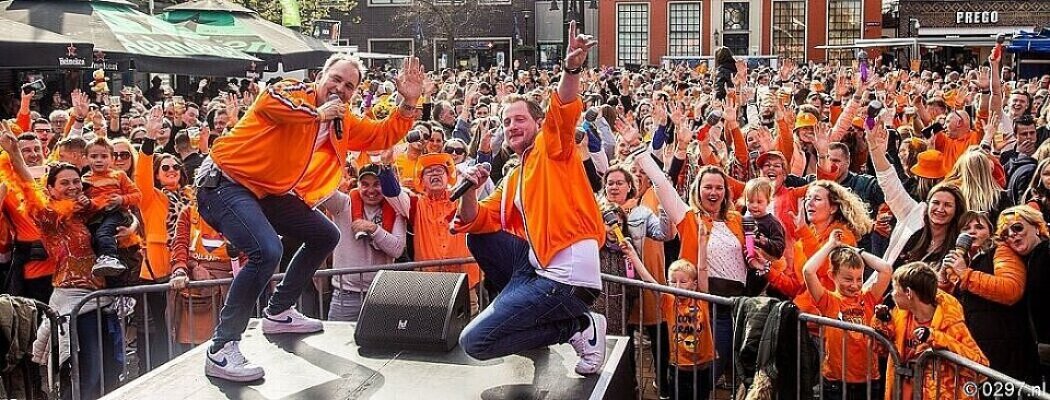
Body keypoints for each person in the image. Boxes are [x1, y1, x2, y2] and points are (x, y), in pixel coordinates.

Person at [196, 54, 425, 382]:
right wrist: (316, 114)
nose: (340, 88)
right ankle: (222, 347)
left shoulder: (341, 122)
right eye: (336, 79)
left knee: (325, 234)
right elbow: (268, 103)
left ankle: (278, 311)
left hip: (265, 191)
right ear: (320, 76)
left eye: (349, 86)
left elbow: (382, 135)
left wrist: (409, 101)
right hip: (224, 181)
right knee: (267, 251)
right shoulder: (291, 91)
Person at [453, 21, 608, 375]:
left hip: (565, 278)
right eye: (506, 122)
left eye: (519, 119)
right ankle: (519, 307)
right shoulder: (513, 177)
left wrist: (571, 67)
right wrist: (471, 189)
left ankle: (579, 327)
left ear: (537, 124)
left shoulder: (551, 148)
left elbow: (564, 107)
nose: (511, 126)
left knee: (475, 342)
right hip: (534, 270)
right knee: (477, 236)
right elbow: (474, 221)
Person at [872, 263, 988, 400]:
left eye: (895, 288)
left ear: (908, 293)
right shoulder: (900, 315)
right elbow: (883, 350)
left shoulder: (950, 322)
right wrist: (883, 322)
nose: (892, 294)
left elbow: (980, 368)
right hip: (902, 392)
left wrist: (935, 338)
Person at [803, 230, 892, 399]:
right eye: (848, 279)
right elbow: (808, 271)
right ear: (832, 276)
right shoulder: (829, 301)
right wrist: (831, 245)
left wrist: (855, 250)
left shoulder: (868, 298)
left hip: (869, 381)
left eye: (859, 279)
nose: (855, 285)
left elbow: (886, 269)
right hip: (836, 383)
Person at [321, 164, 406, 322]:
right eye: (365, 184)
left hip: (382, 296)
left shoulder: (397, 209)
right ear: (358, 185)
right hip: (345, 297)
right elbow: (321, 189)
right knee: (338, 345)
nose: (371, 190)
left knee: (382, 346)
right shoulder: (343, 204)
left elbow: (397, 249)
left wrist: (374, 229)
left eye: (377, 184)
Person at [82, 137, 141, 276]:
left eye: (103, 156)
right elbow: (86, 204)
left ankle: (110, 258)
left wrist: (122, 199)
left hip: (117, 214)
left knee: (103, 234)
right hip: (96, 217)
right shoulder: (84, 179)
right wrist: (85, 202)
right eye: (94, 156)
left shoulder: (119, 175)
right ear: (86, 158)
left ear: (111, 158)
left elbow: (137, 196)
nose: (99, 160)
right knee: (95, 237)